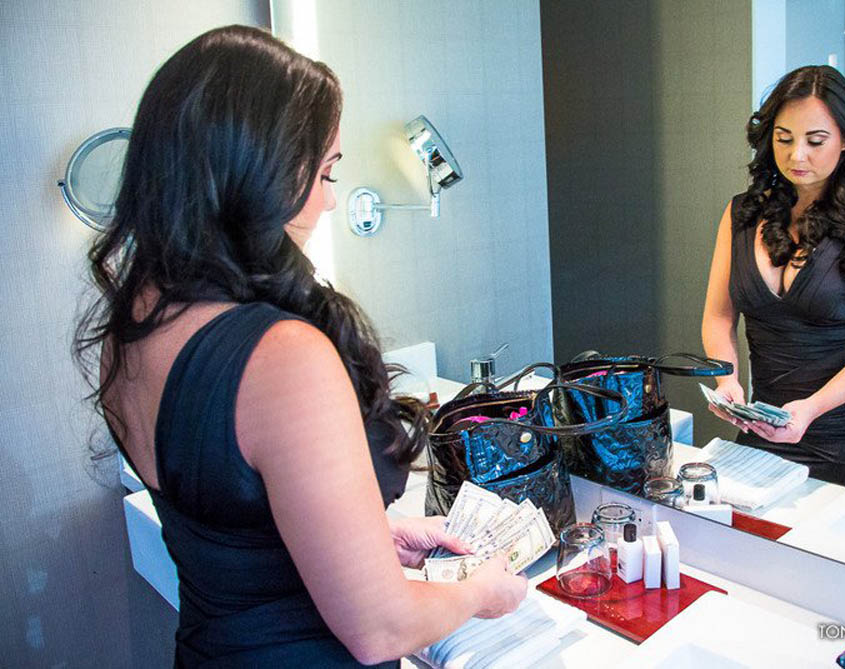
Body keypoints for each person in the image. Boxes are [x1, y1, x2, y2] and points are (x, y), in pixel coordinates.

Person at [74, 26, 526, 667]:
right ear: (257, 175)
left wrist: (372, 537)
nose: (331, 201)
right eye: (325, 172)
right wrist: (481, 592)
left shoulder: (134, 328)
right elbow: (380, 627)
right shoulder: (282, 355)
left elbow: (234, 521)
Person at [701, 65, 845, 487]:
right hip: (766, 427)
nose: (797, 155)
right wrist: (726, 380)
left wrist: (811, 408)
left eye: (815, 141)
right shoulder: (741, 213)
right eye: (784, 139)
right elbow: (718, 317)